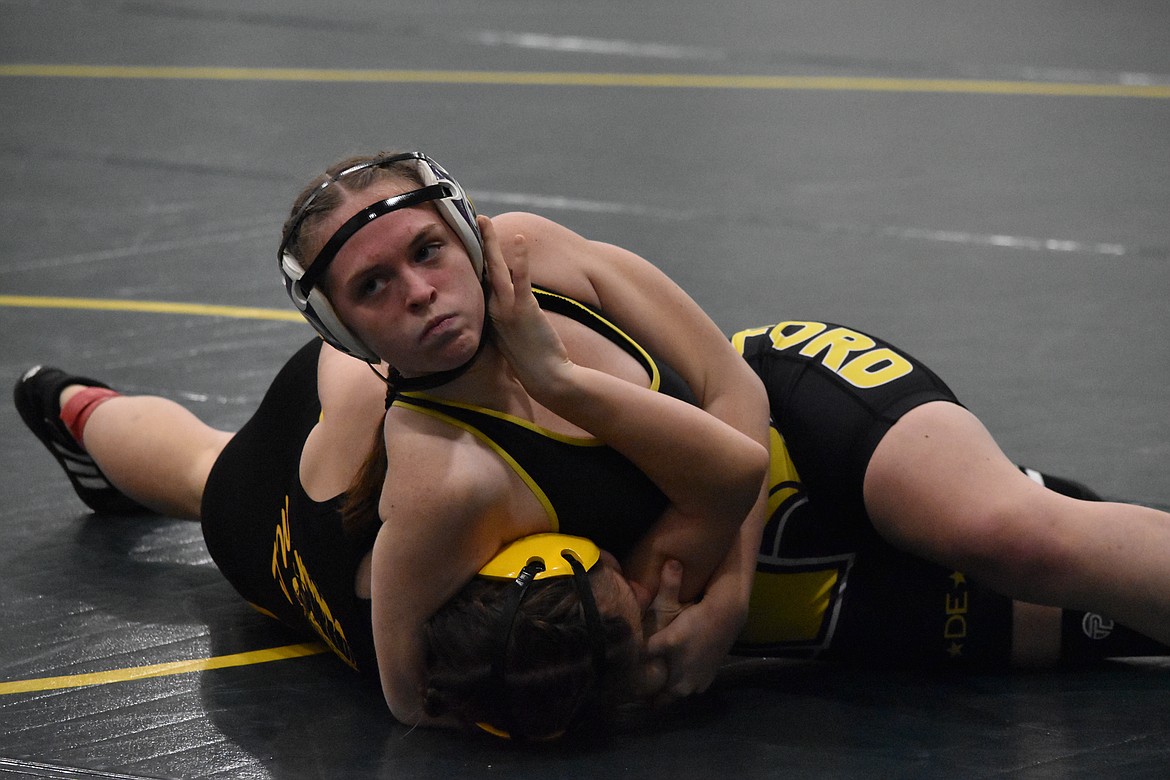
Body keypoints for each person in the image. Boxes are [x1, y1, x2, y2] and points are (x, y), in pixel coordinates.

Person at [16, 150, 1170, 734]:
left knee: (1006, 529)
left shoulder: (541, 257)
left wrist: (712, 597)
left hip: (784, 424)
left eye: (428, 251)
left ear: (467, 229)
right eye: (376, 287)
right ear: (346, 327)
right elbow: (411, 693)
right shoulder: (443, 473)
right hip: (689, 522)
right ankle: (71, 408)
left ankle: (74, 402)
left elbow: (733, 401)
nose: (420, 292)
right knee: (213, 477)